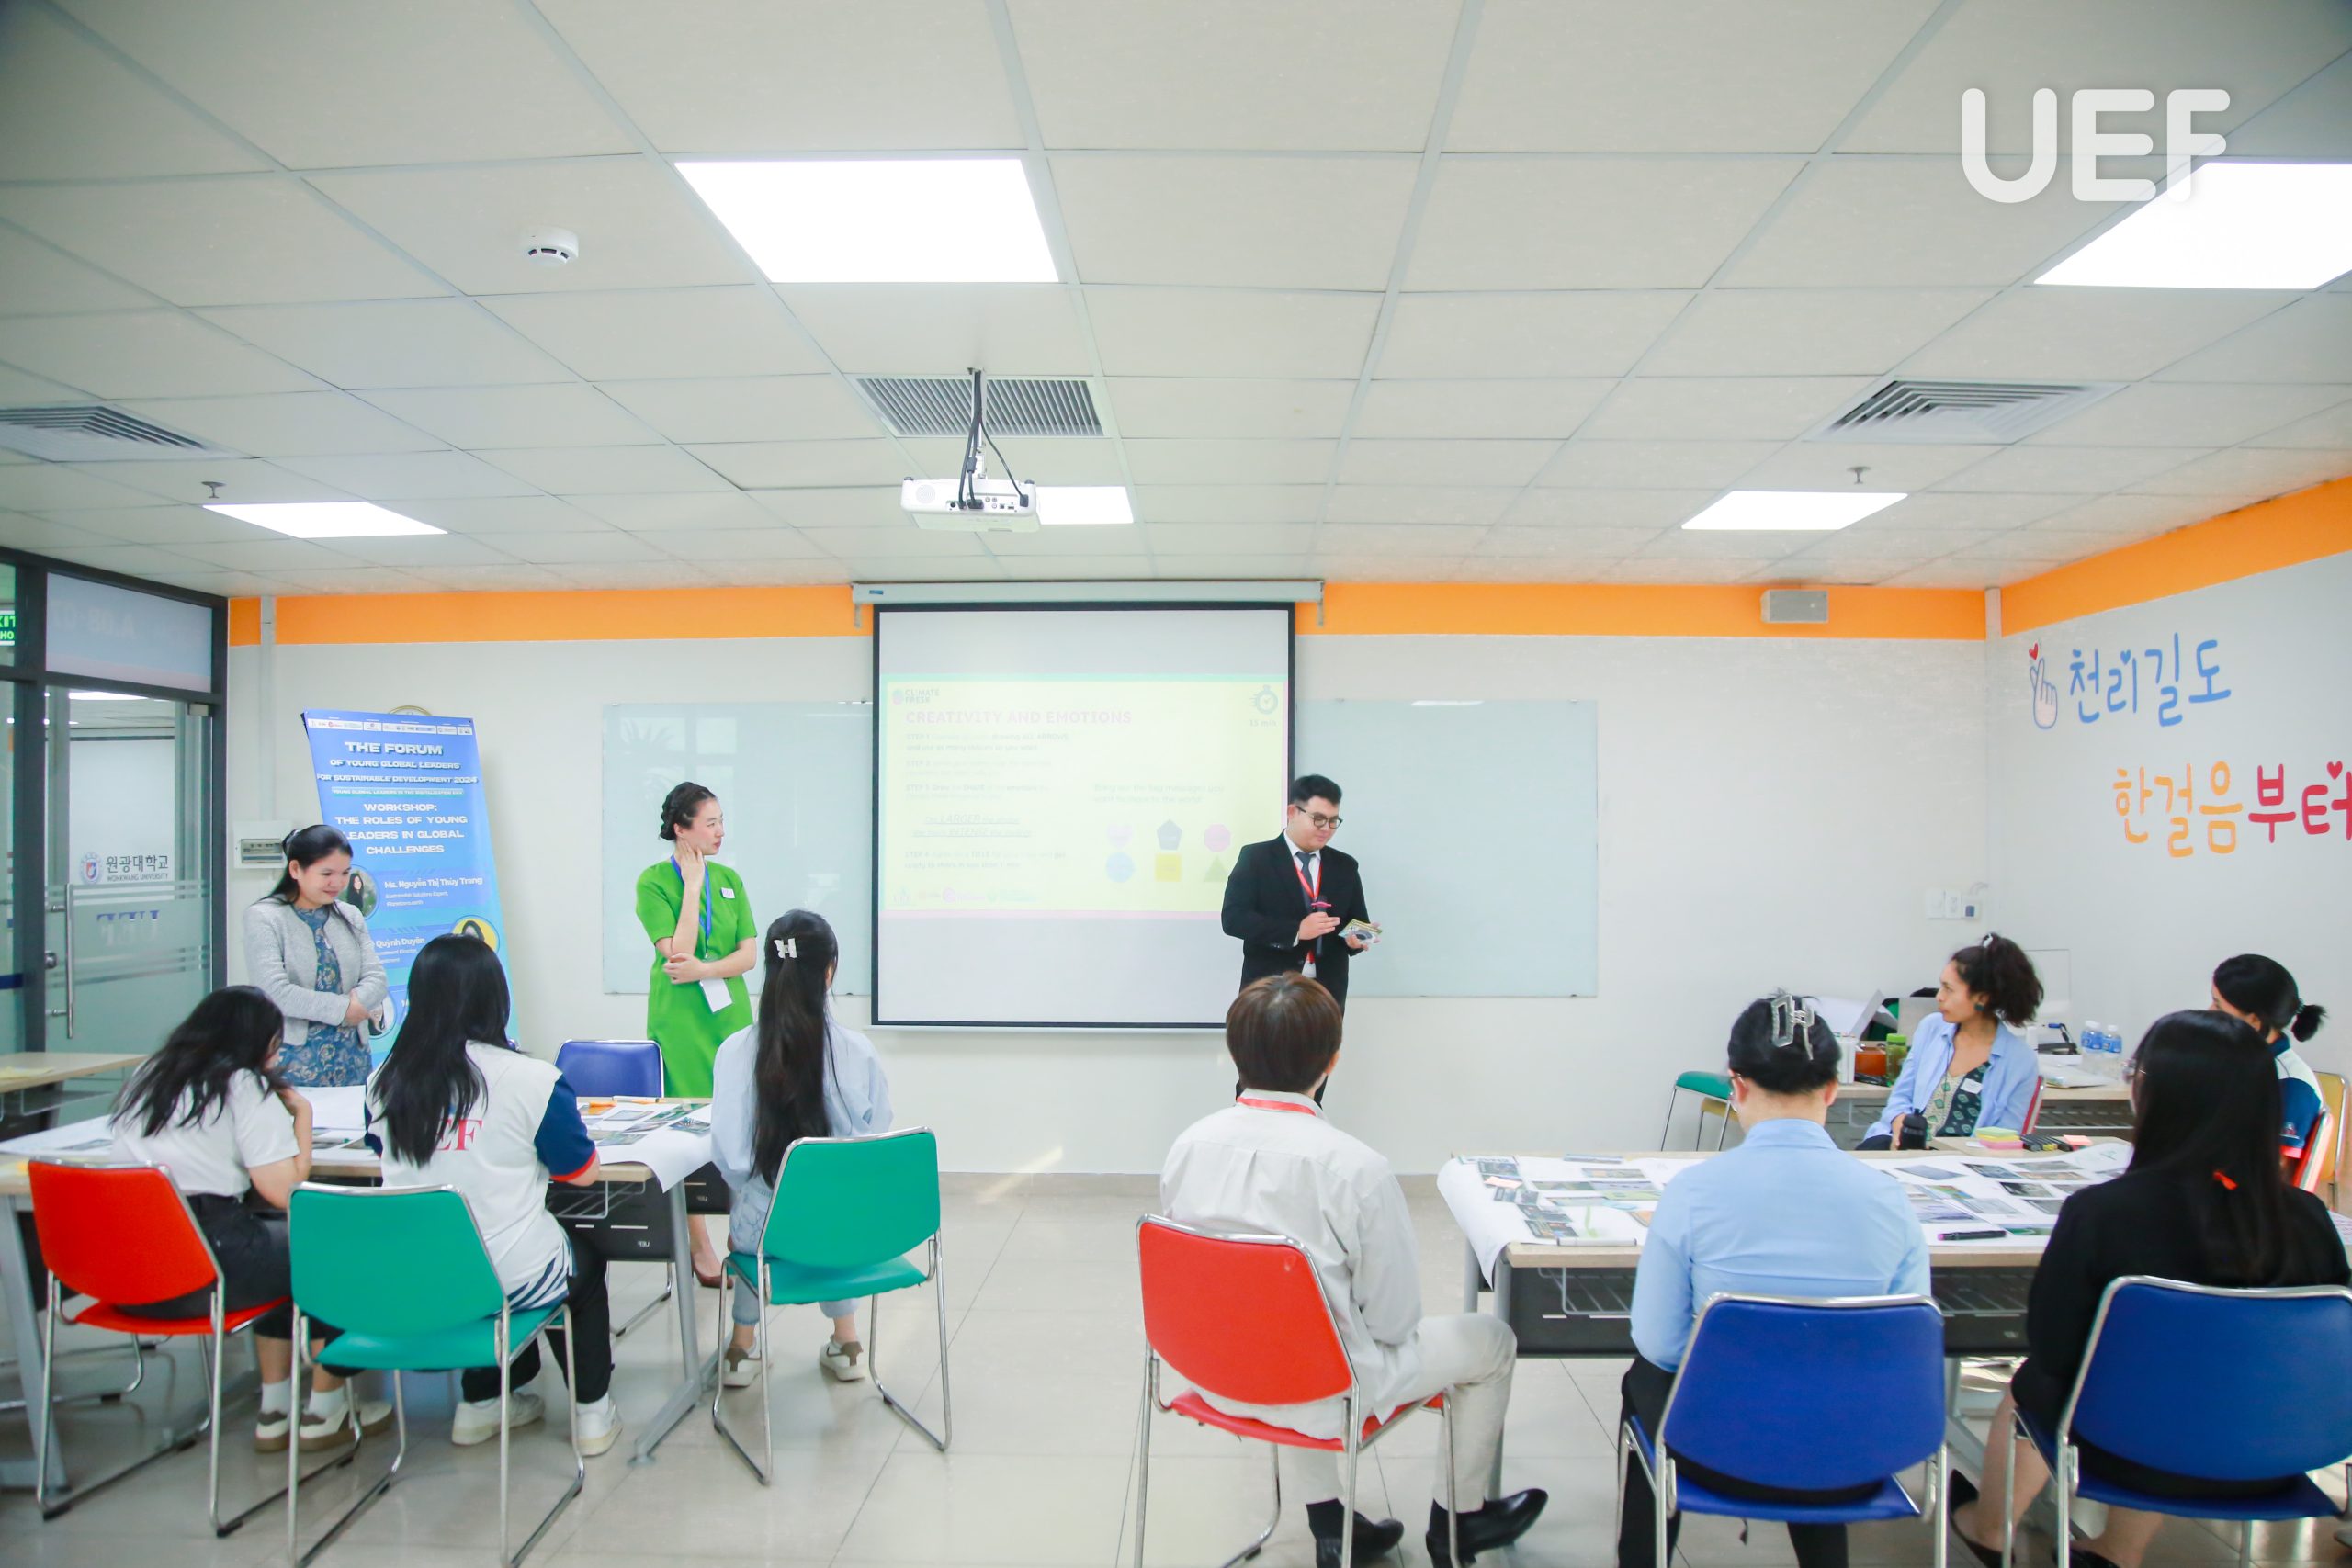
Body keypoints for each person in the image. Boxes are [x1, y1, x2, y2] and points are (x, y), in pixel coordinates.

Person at [1161, 973, 1544, 1568]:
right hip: (1319, 1388)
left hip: (1213, 1373)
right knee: (1490, 1340)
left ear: (1234, 1055)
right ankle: (1459, 1522)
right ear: (1331, 1062)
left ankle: (1331, 1525)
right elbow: (1394, 1322)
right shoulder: (1354, 1168)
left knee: (1284, 1327)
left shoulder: (1188, 1146)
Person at [1950, 1010, 2351, 1568]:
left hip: (2130, 1450)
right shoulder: (2308, 1219)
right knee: (2182, 1384)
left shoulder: (2103, 1213)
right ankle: (2117, 1550)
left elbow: (2054, 1347)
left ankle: (1990, 1531)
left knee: (2040, 1381)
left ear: (2154, 1096)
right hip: (2279, 1454)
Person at [1618, 992, 1930, 1568]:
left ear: (1736, 1087)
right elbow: (1906, 1335)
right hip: (1853, 1453)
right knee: (1827, 1379)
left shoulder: (1694, 1193)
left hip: (1717, 1448)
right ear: (1832, 1090)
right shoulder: (1889, 1199)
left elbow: (1660, 1343)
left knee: (1645, 1376)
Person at [366, 934, 621, 1457]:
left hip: (410, 1276)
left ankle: (482, 1402)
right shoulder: (533, 1079)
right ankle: (592, 1412)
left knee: (474, 1257)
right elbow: (581, 1174)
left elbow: (380, 1156)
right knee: (583, 1262)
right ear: (494, 999)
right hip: (506, 1273)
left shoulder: (384, 1082)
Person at [109, 987, 388, 1452]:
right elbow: (284, 1192)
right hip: (208, 1267)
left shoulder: (148, 1075)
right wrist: (301, 1116)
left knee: (280, 1248)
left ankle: (274, 1409)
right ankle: (325, 1409)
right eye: (274, 1046)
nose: (276, 1058)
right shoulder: (241, 1084)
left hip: (131, 1276)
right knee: (331, 1250)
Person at [710, 910, 892, 1389]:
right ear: (829, 972)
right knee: (834, 1207)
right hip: (843, 1229)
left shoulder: (736, 1052)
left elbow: (731, 1160)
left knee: (754, 1211)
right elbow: (874, 1142)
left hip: (763, 1232)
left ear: (770, 970)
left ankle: (740, 1349)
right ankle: (848, 1344)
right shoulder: (858, 1051)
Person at [634, 782, 757, 1285]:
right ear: (680, 829)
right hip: (681, 1023)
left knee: (742, 1123)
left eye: (721, 821)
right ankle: (698, 1243)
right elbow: (677, 952)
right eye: (710, 823)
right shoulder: (653, 882)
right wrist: (691, 885)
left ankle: (744, 1229)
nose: (720, 831)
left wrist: (706, 970)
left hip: (730, 1017)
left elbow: (748, 955)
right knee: (688, 1130)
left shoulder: (731, 879)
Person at [1862, 935, 2042, 1149]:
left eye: (1949, 989)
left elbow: (2008, 1137)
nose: (1939, 996)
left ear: (1982, 998)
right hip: (1901, 1148)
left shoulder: (2020, 1060)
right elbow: (1901, 1096)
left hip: (1967, 1162)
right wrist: (1899, 1121)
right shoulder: (1931, 1028)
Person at [241, 825, 388, 1088]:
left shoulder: (350, 914)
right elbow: (274, 991)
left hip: (353, 1057)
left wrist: (355, 1006)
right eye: (326, 874)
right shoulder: (265, 917)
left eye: (345, 873)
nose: (338, 883)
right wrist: (344, 1010)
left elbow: (376, 978)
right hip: (293, 1061)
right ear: (295, 869)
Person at [2209, 953, 2328, 1157]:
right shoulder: (2234, 1061)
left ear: (2254, 1020)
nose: (2210, 1011)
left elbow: (2276, 1172)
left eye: (2218, 1005)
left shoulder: (2291, 1086)